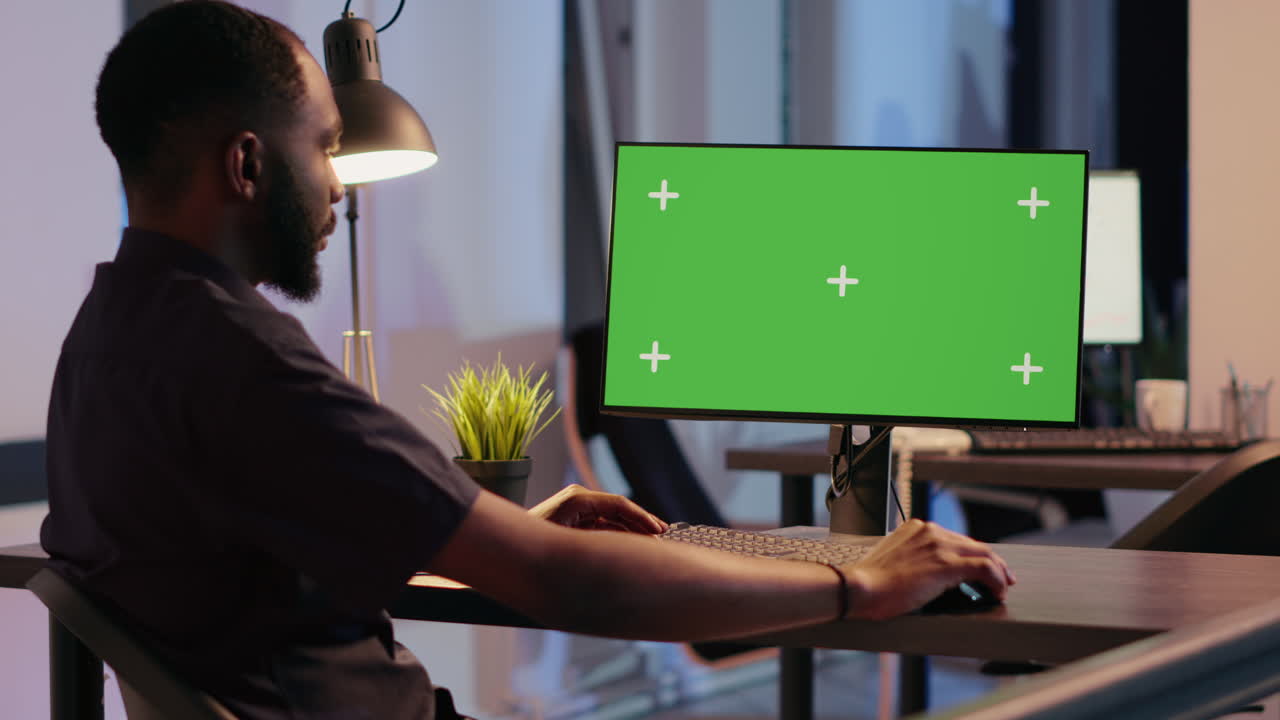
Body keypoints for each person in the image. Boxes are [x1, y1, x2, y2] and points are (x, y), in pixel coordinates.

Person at [40, 2, 1015, 718]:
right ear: (248, 165)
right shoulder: (244, 365)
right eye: (324, 147)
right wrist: (860, 584)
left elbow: (244, 563)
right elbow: (567, 587)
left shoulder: (110, 336)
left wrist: (502, 524)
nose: (339, 185)